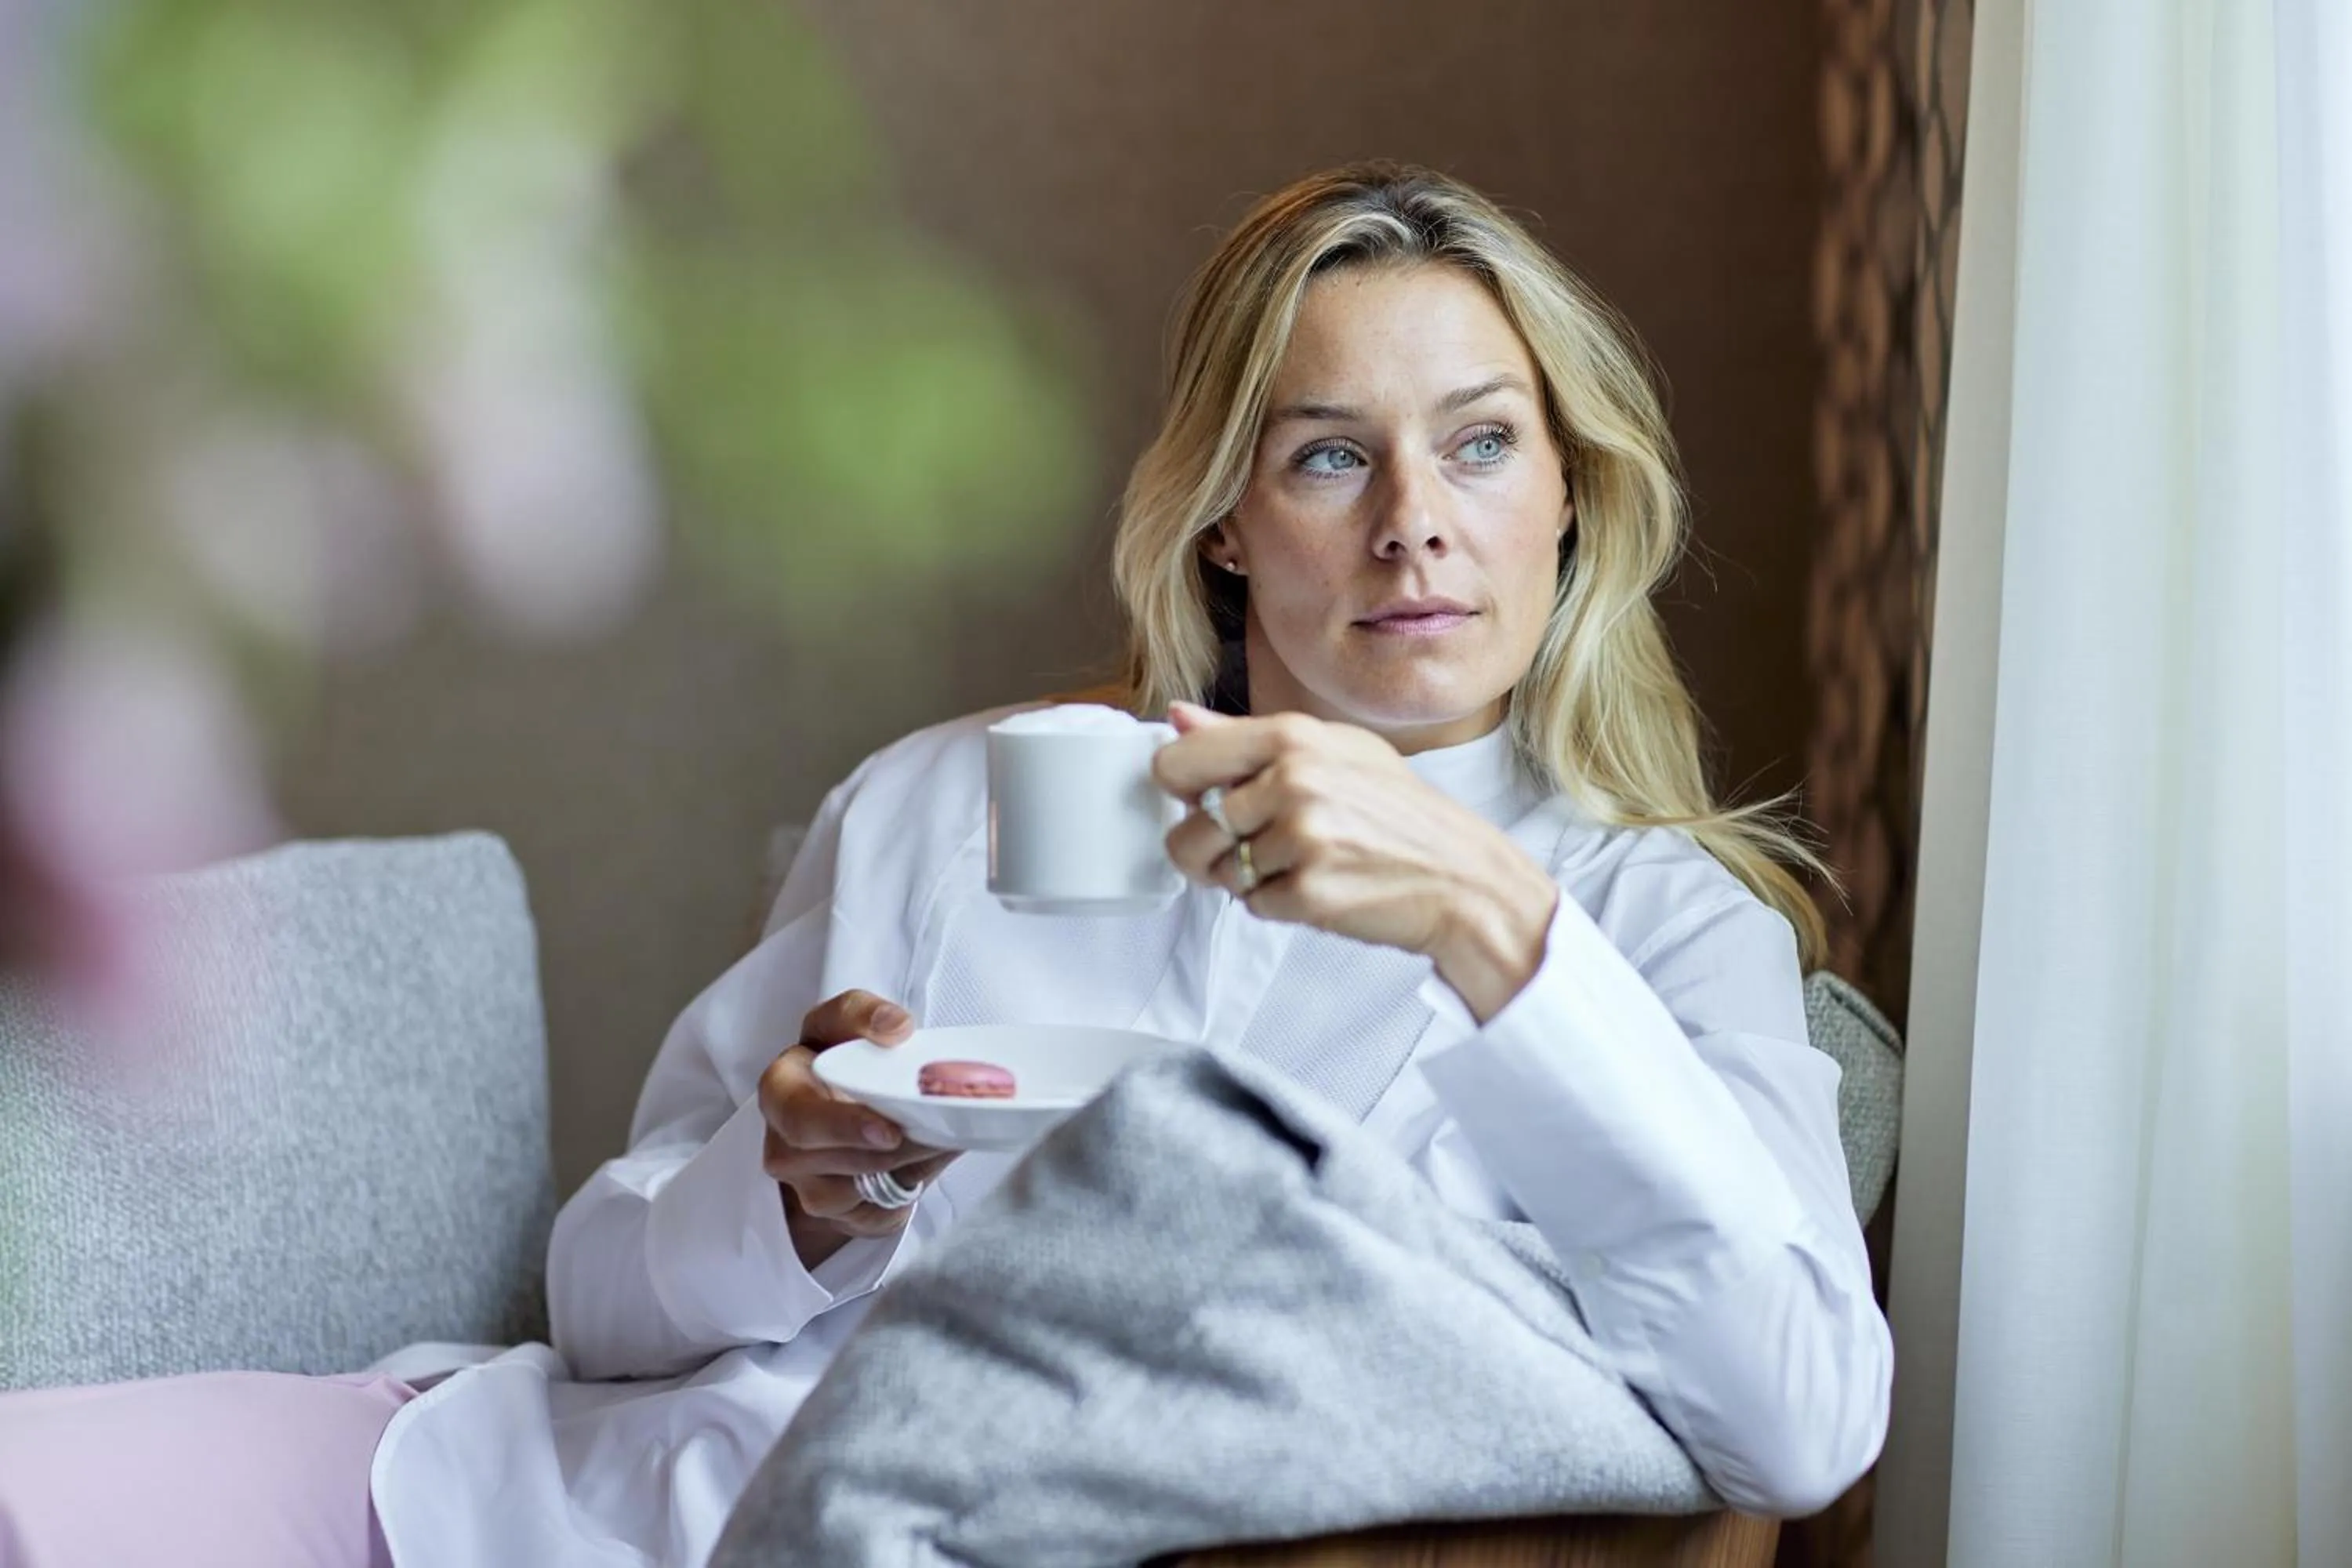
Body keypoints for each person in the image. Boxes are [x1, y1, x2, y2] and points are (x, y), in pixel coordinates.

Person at [0, 162, 1892, 1566]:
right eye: (1329, 457)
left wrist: (1493, 918)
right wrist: (792, 1189)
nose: (1414, 526)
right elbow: (595, 1293)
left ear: (1570, 498)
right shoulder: (958, 800)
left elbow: (1797, 1416)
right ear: (1229, 523)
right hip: (515, 1497)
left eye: (1480, 446)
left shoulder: (1650, 923)